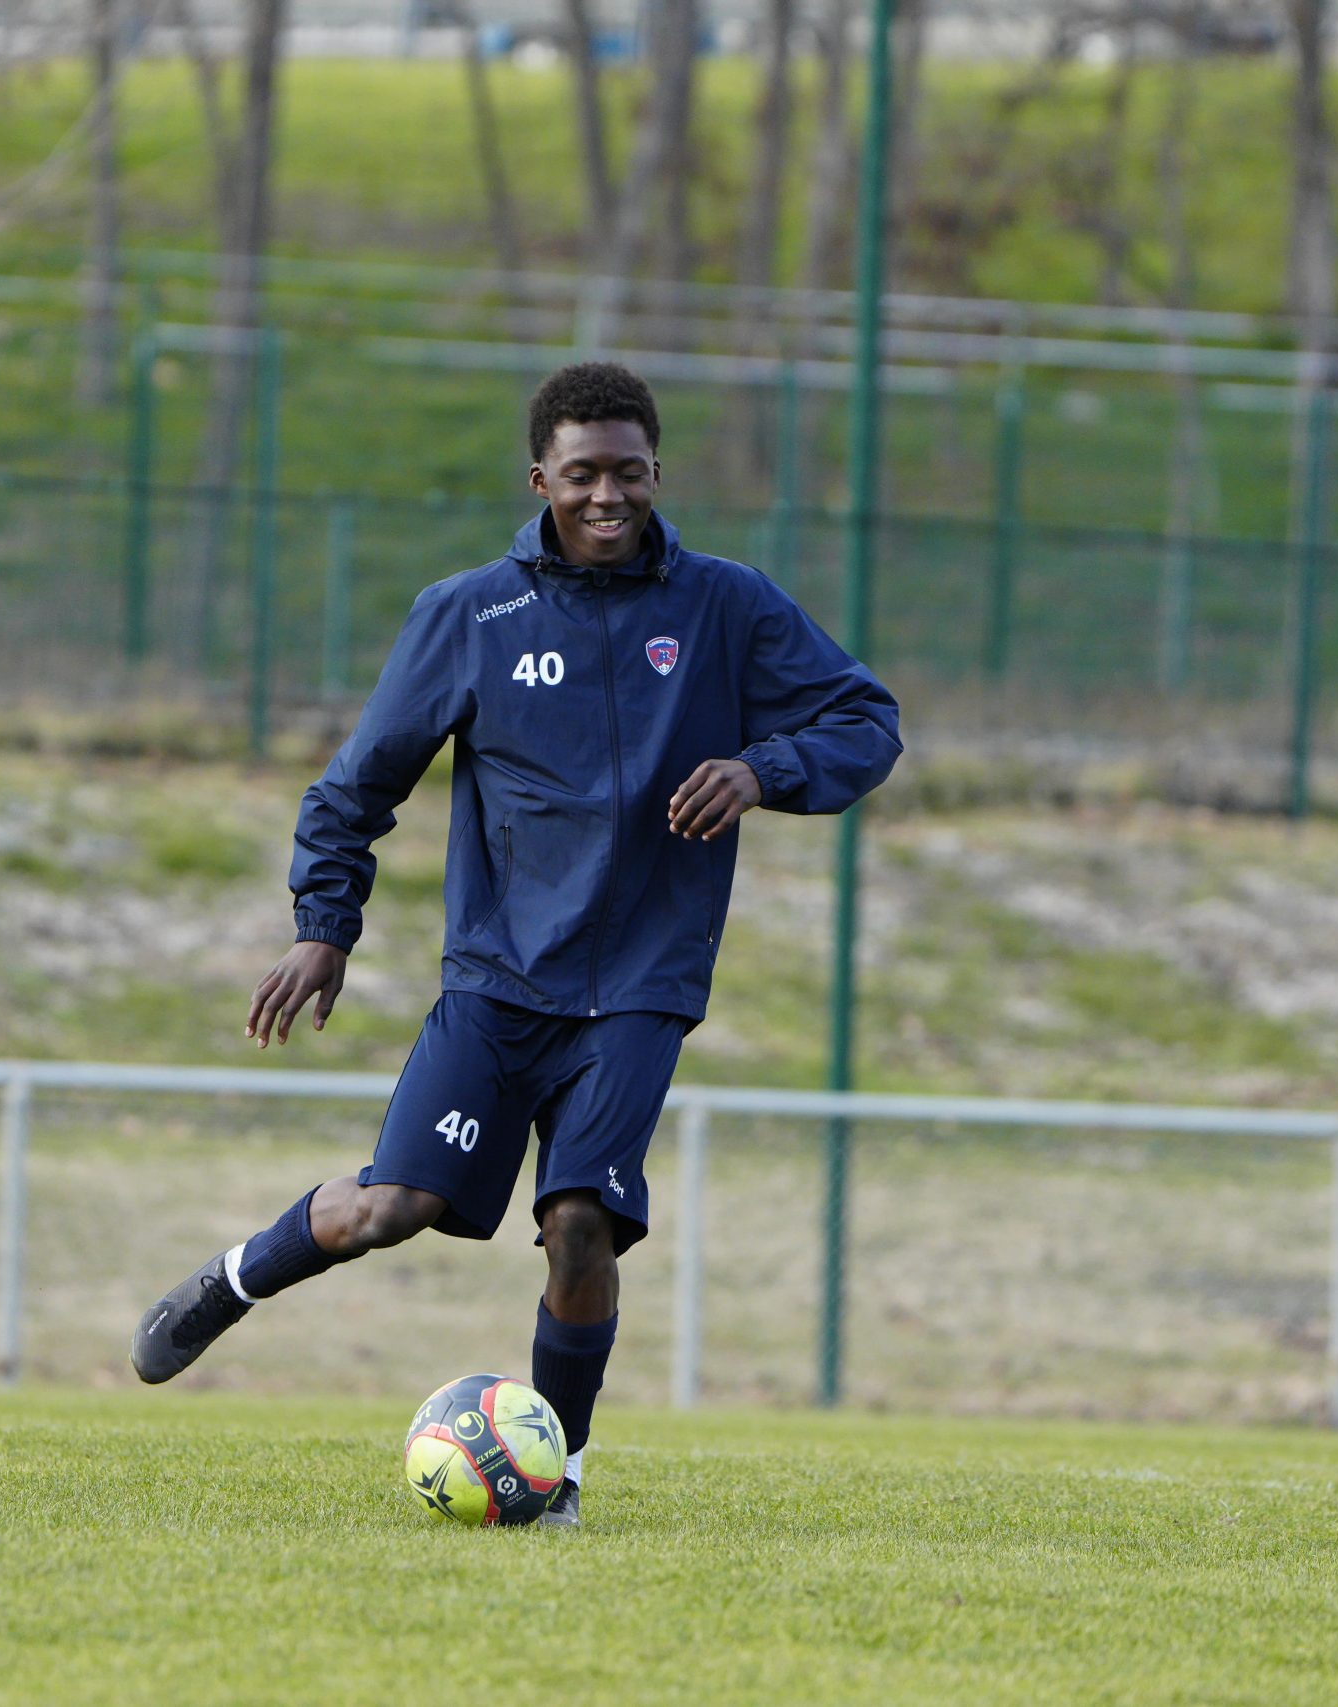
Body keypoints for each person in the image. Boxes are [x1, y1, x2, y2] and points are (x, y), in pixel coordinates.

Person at [131, 361, 901, 1527]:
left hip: (641, 988)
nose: (607, 497)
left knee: (581, 1222)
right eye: (582, 474)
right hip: (498, 985)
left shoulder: (725, 607)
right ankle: (232, 1280)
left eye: (629, 473)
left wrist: (761, 769)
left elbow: (866, 716)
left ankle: (559, 1480)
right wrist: (322, 931)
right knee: (390, 1211)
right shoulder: (469, 615)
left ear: (657, 473)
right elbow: (353, 791)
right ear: (540, 477)